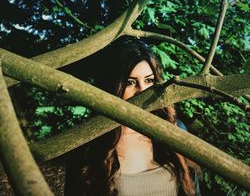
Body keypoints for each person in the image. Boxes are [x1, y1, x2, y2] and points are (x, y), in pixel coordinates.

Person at [64, 37, 201, 196]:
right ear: (112, 87)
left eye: (149, 80)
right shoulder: (89, 143)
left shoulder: (175, 130)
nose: (142, 91)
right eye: (130, 82)